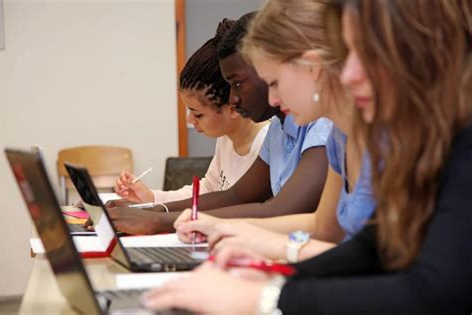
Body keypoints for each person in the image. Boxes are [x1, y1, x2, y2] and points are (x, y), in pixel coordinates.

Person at [141, 0, 472, 314]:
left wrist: (269, 296)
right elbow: (373, 248)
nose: (349, 74)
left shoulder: (452, 139)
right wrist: (284, 276)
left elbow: (435, 291)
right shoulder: (417, 138)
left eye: (365, 54)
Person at [173, 0, 376, 264]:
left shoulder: (347, 132)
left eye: (275, 83)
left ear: (312, 67)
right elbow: (323, 225)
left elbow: (380, 262)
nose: (273, 98)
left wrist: (273, 256)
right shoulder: (340, 134)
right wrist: (224, 228)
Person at [106, 12, 333, 235]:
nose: (232, 99)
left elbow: (277, 210)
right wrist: (152, 210)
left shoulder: (323, 125)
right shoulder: (278, 128)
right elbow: (234, 195)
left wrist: (158, 220)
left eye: (237, 84)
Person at [113, 18, 269, 205]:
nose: (190, 119)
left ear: (233, 106)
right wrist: (153, 198)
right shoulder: (227, 138)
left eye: (198, 113)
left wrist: (158, 212)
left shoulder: (267, 143)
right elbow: (208, 189)